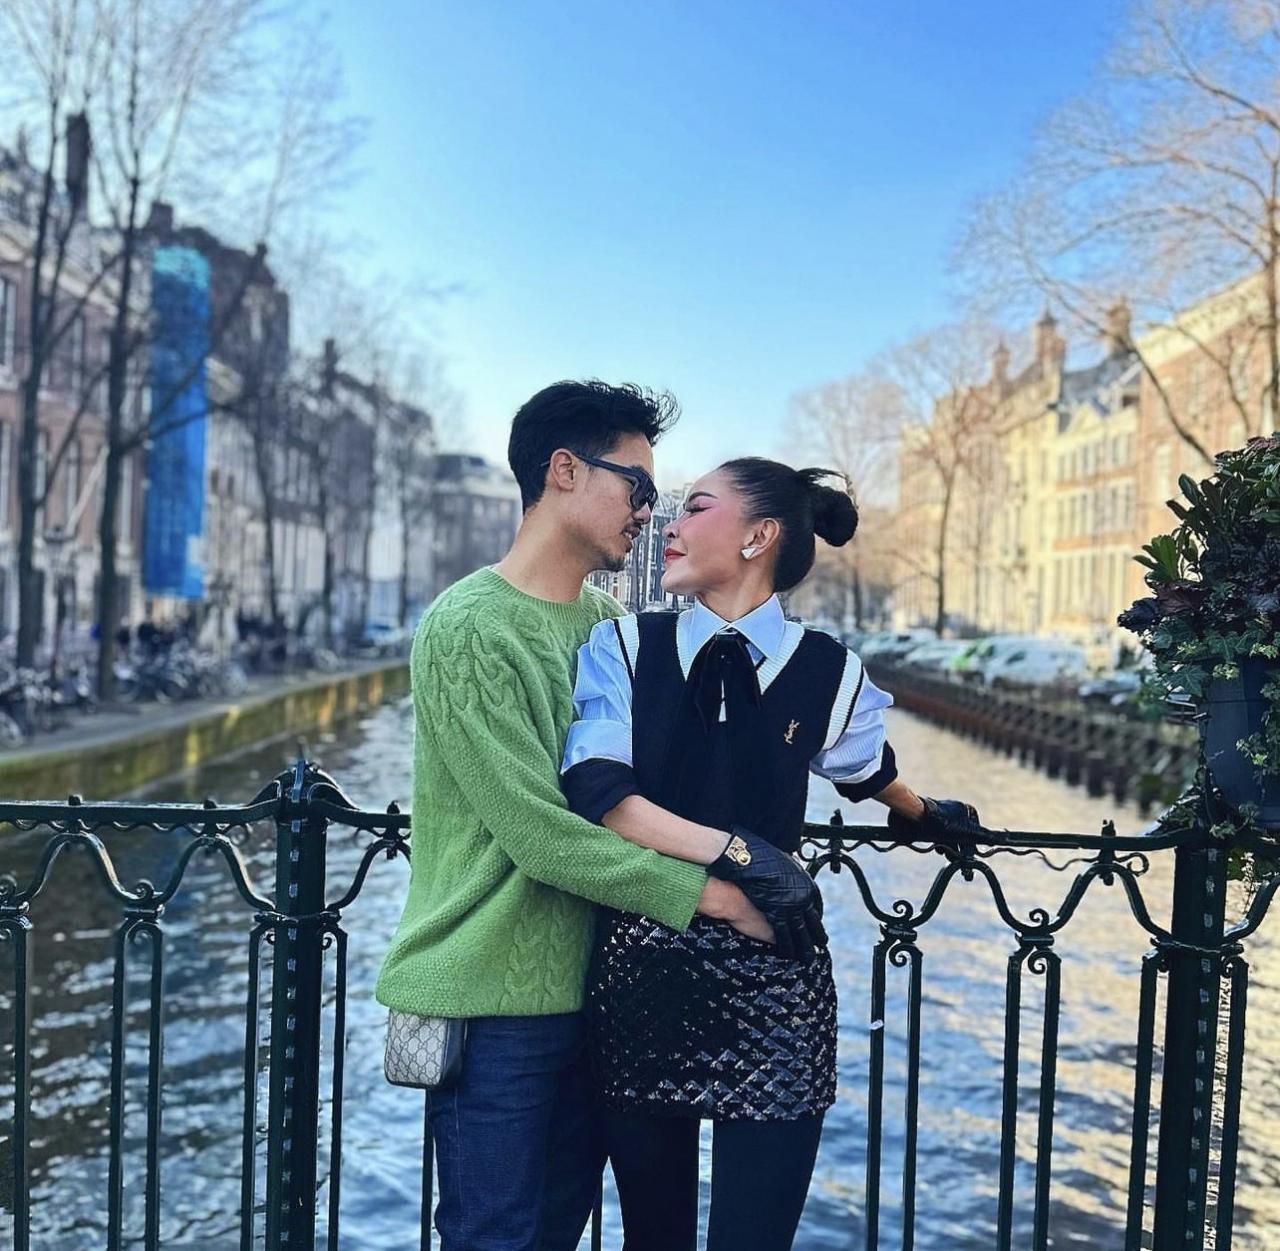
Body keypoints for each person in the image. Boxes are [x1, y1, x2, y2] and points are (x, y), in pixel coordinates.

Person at [374, 384, 823, 1251]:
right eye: (637, 486)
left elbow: (649, 794)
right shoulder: (468, 626)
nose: (650, 511)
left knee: (556, 1235)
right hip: (493, 1004)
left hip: (597, 998)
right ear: (565, 471)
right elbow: (541, 834)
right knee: (495, 1238)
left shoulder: (608, 624)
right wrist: (720, 894)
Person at [560, 458, 982, 1251]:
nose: (669, 523)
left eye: (696, 507)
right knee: (654, 1239)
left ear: (758, 536)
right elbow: (602, 794)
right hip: (646, 972)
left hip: (777, 976)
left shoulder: (830, 670)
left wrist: (925, 813)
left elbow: (865, 770)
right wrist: (743, 856)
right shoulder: (624, 643)